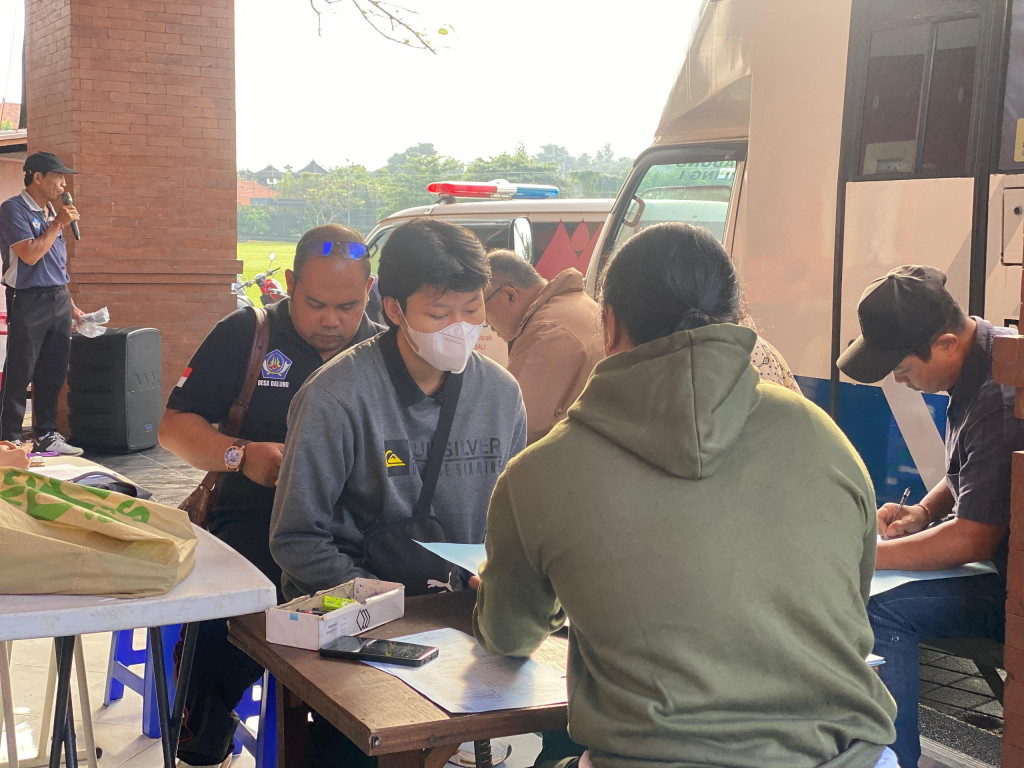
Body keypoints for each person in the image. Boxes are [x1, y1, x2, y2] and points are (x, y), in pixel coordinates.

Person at [473, 222, 898, 768]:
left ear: (608, 323)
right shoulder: (822, 437)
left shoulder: (538, 473)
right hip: (849, 758)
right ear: (738, 319)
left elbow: (507, 635)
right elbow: (849, 599)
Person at [270, 217, 526, 765]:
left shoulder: (500, 395)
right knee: (374, 739)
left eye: (472, 310)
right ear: (392, 308)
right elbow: (295, 538)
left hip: (462, 610)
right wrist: (389, 605)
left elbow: (513, 520)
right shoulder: (335, 397)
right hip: (358, 615)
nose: (459, 328)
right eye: (438, 314)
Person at [159, 223, 382, 768]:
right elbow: (172, 427)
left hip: (349, 531)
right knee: (230, 622)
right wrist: (241, 455)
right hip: (251, 519)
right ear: (288, 283)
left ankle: (350, 736)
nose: (332, 321)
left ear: (370, 292)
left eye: (348, 306)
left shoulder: (381, 350)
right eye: (316, 304)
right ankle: (205, 735)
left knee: (385, 614)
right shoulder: (248, 334)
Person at [837, 264, 1024, 768]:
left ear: (944, 343)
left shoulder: (998, 395)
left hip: (1013, 583)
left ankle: (894, 761)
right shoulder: (983, 353)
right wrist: (923, 511)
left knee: (880, 608)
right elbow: (976, 468)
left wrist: (868, 556)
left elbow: (972, 540)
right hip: (998, 555)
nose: (901, 379)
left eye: (902, 368)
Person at [0, 151, 84, 455]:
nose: (63, 185)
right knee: (21, 368)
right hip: (28, 298)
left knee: (54, 369)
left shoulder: (53, 211)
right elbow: (31, 254)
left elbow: (55, 264)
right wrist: (57, 225)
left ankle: (47, 433)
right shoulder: (13, 210)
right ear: (38, 177)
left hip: (58, 297)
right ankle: (8, 436)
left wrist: (71, 304)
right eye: (58, 177)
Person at [483, 251, 604, 443]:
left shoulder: (546, 331)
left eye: (484, 313)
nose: (488, 325)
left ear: (509, 295)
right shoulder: (575, 305)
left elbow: (516, 425)